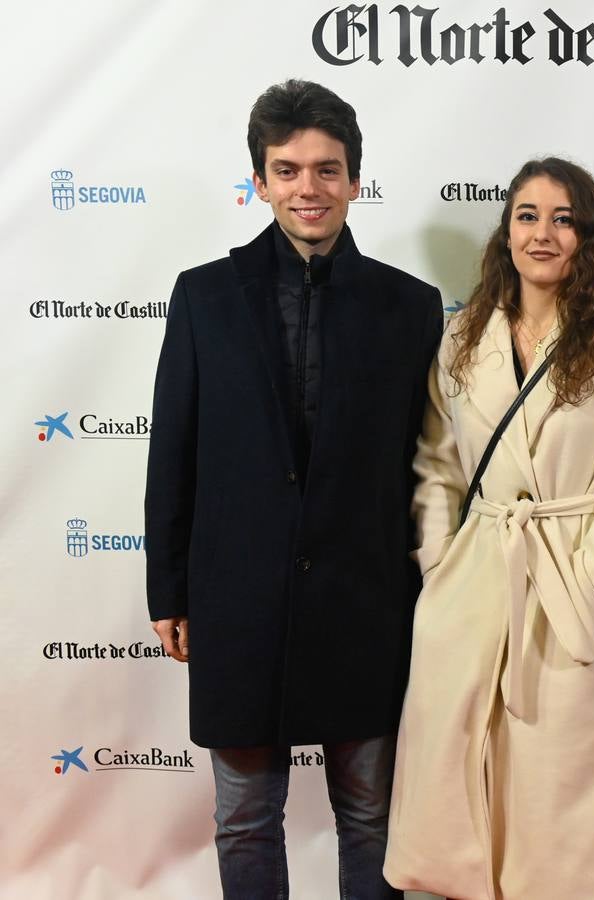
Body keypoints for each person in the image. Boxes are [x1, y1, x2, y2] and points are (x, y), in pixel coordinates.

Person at [144, 79, 443, 899]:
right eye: (288, 170)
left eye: (326, 169)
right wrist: (169, 588)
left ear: (353, 178)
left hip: (366, 598)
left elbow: (432, 466)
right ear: (261, 180)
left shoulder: (409, 307)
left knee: (372, 815)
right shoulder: (203, 295)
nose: (307, 188)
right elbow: (173, 450)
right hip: (237, 599)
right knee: (243, 815)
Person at [382, 157, 594, 900]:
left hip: (573, 583)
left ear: (587, 237)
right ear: (504, 230)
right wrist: (441, 565)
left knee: (566, 794)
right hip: (474, 580)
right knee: (463, 779)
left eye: (562, 217)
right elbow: (436, 465)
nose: (541, 233)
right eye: (525, 215)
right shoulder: (463, 336)